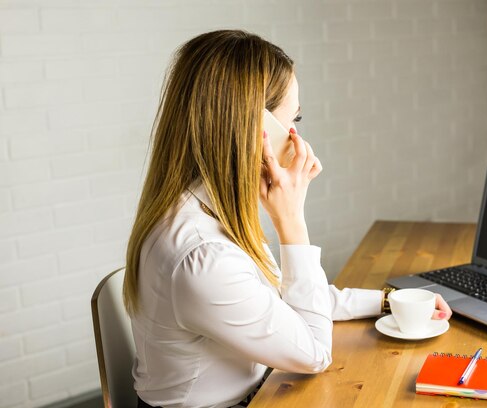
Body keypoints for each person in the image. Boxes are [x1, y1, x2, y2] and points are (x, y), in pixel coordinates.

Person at [123, 30, 452, 408]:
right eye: (292, 120)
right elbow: (313, 353)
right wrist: (292, 221)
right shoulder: (204, 256)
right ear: (258, 130)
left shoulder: (203, 207)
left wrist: (387, 300)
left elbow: (284, 301)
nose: (297, 137)